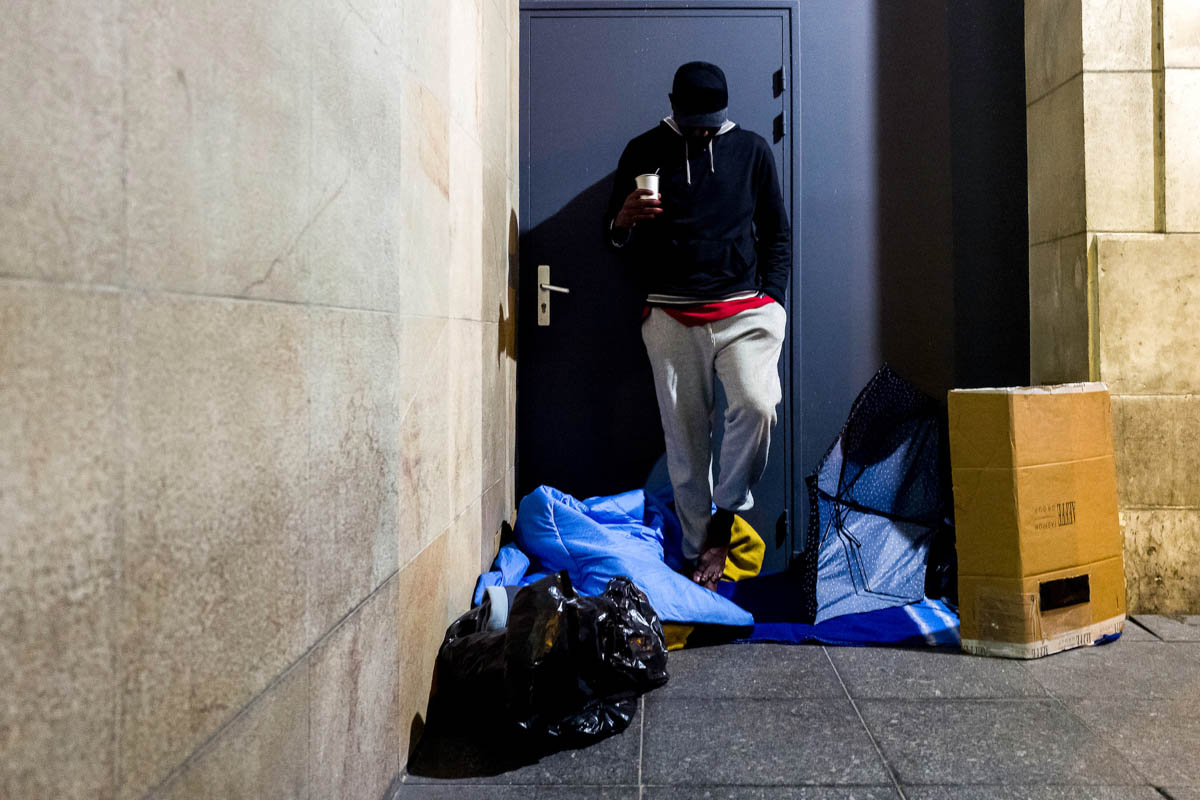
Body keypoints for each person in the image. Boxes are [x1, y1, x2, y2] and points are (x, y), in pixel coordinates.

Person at [604, 61, 792, 590]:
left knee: (757, 405)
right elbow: (611, 235)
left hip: (745, 312)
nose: (704, 131)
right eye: (694, 123)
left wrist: (774, 301)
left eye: (712, 121)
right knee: (685, 442)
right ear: (673, 106)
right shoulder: (643, 149)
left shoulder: (753, 149)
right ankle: (695, 558)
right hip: (669, 312)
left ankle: (725, 520)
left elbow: (777, 233)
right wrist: (623, 219)